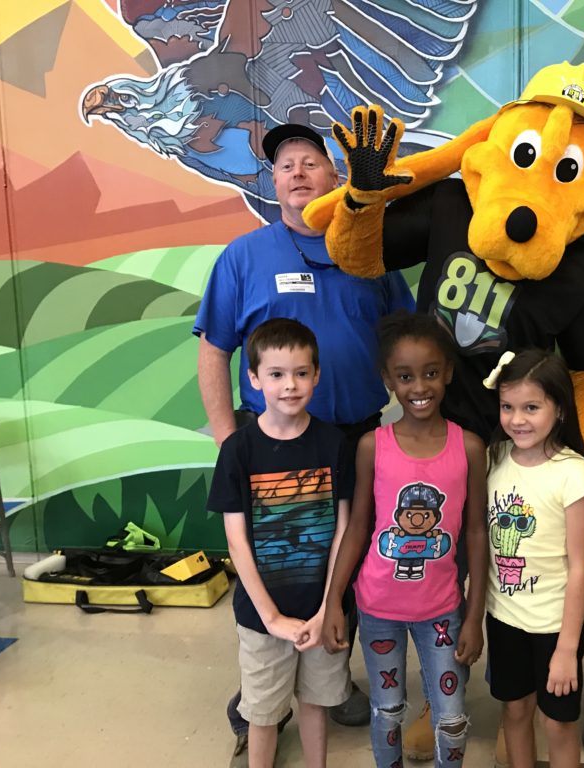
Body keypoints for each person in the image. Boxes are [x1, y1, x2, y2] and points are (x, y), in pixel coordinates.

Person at [193, 122, 413, 759]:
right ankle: (258, 699)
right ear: (274, 182)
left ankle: (328, 677)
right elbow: (214, 350)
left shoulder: (368, 253)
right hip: (271, 443)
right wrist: (229, 439)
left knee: (345, 557)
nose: (297, 173)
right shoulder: (244, 257)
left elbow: (403, 338)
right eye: (286, 164)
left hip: (356, 437)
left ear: (334, 177)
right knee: (278, 561)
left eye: (311, 162)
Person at [322, 310, 488, 768]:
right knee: (388, 711)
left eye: (431, 373)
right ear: (388, 380)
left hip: (442, 612)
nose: (420, 387)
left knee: (451, 719)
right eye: (406, 376)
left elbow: (476, 533)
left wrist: (474, 617)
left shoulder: (469, 447)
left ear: (448, 373)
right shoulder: (372, 445)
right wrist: (335, 600)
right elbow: (358, 527)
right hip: (377, 608)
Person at [207, 318, 354, 768]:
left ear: (317, 375)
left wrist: (329, 608)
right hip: (260, 618)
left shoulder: (335, 444)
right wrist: (271, 618)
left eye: (301, 373)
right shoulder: (238, 450)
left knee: (316, 704)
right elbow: (236, 542)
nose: (290, 385)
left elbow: (344, 533)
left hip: (322, 612)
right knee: (264, 713)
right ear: (253, 379)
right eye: (276, 374)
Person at [483, 350, 584, 768]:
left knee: (557, 723)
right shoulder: (493, 460)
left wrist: (567, 647)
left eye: (532, 407)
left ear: (559, 408)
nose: (518, 419)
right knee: (514, 712)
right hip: (504, 619)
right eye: (508, 407)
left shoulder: (574, 472)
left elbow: (581, 566)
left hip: (554, 625)